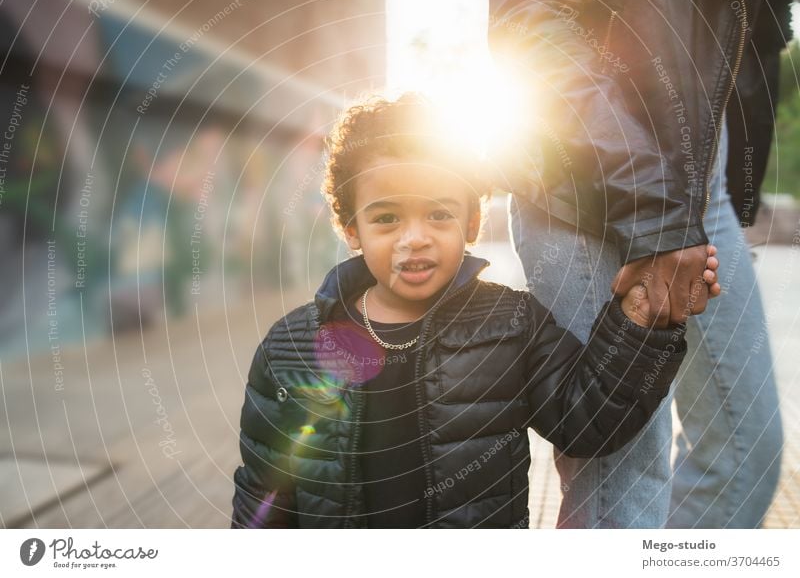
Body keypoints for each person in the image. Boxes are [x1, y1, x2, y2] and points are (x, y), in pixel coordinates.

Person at [229, 93, 719, 528]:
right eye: (386, 217)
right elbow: (264, 494)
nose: (415, 236)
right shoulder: (291, 347)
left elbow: (588, 420)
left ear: (470, 221)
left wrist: (642, 319)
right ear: (351, 228)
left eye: (439, 214)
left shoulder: (511, 325)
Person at [487, 0, 790, 528]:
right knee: (621, 484)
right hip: (588, 175)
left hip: (703, 181)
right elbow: (533, 21)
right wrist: (656, 211)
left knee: (743, 454)